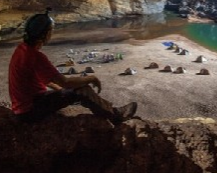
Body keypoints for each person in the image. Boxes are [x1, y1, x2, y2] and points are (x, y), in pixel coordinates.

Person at [8, 8, 137, 124]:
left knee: (69, 92)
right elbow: (66, 82)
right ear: (45, 34)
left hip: (22, 108)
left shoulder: (21, 49)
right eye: (51, 31)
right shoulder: (36, 56)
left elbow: (45, 79)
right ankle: (116, 116)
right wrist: (91, 78)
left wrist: (61, 91)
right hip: (31, 111)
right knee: (83, 91)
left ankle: (110, 110)